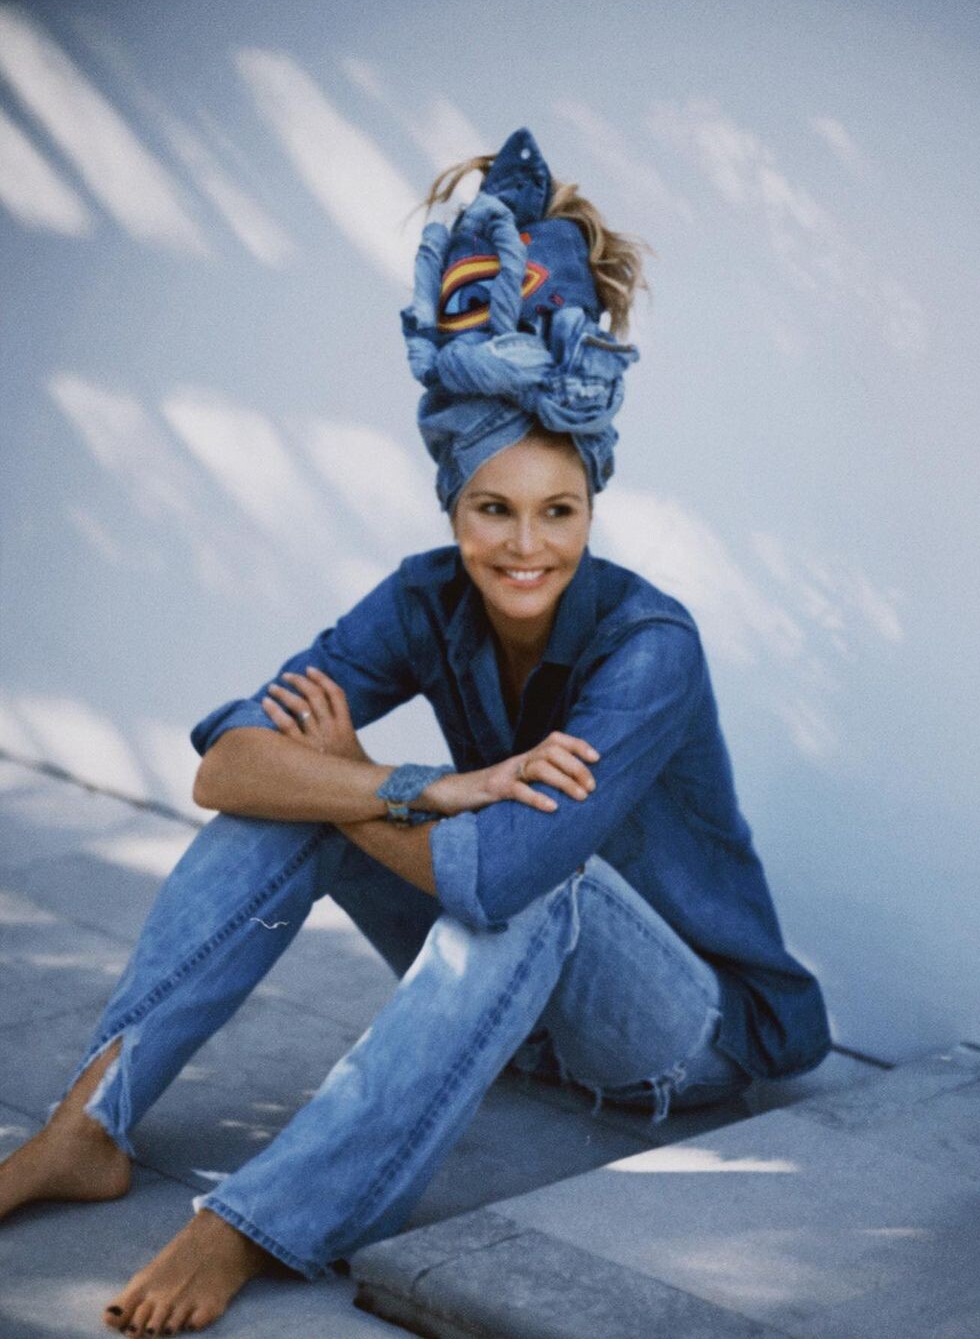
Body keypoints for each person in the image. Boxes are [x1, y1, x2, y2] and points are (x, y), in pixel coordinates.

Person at [0, 128, 831, 1335]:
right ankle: (88, 1126)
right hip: (519, 1020)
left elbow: (499, 882)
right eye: (494, 509)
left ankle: (255, 1222)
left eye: (560, 511)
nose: (527, 547)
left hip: (678, 1038)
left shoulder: (651, 643)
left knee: (517, 870)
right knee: (294, 799)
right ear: (452, 505)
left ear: (593, 508)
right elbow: (228, 765)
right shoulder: (421, 598)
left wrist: (355, 775)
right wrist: (405, 787)